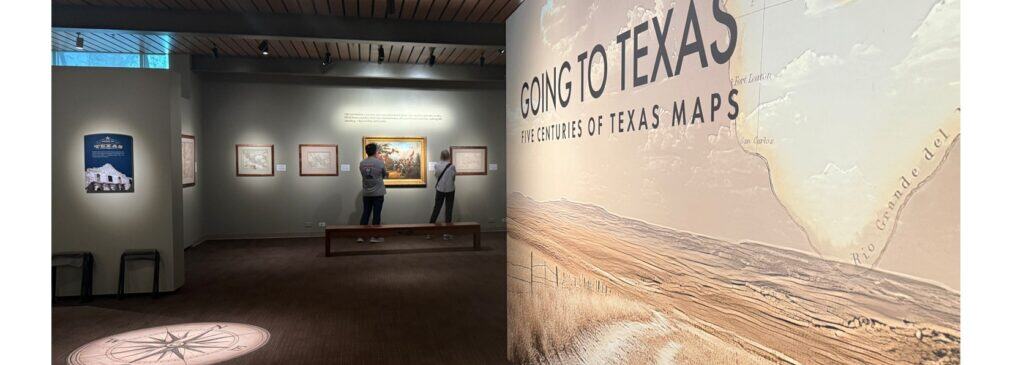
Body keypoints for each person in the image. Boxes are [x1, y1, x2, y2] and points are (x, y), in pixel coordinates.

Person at [358, 143, 388, 243]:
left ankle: (361, 236)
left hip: (366, 193)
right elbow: (384, 175)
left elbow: (364, 175)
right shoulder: (379, 163)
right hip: (378, 193)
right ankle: (375, 237)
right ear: (375, 151)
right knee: (376, 214)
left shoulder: (362, 163)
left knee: (365, 213)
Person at [428, 149, 457, 240]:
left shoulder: (437, 165)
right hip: (450, 190)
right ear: (448, 156)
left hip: (440, 189)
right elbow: (453, 178)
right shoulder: (452, 166)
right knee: (448, 210)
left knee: (436, 209)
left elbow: (436, 176)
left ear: (441, 155)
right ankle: (447, 233)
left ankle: (429, 232)